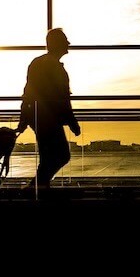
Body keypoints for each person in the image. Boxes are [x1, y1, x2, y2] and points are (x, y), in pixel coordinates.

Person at [17, 28, 81, 188]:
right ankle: (37, 187)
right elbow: (62, 98)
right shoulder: (54, 67)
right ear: (57, 43)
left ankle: (38, 187)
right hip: (49, 118)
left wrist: (24, 118)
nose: (68, 43)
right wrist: (72, 121)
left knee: (50, 156)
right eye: (65, 40)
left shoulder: (38, 63)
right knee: (61, 155)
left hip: (39, 117)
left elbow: (28, 92)